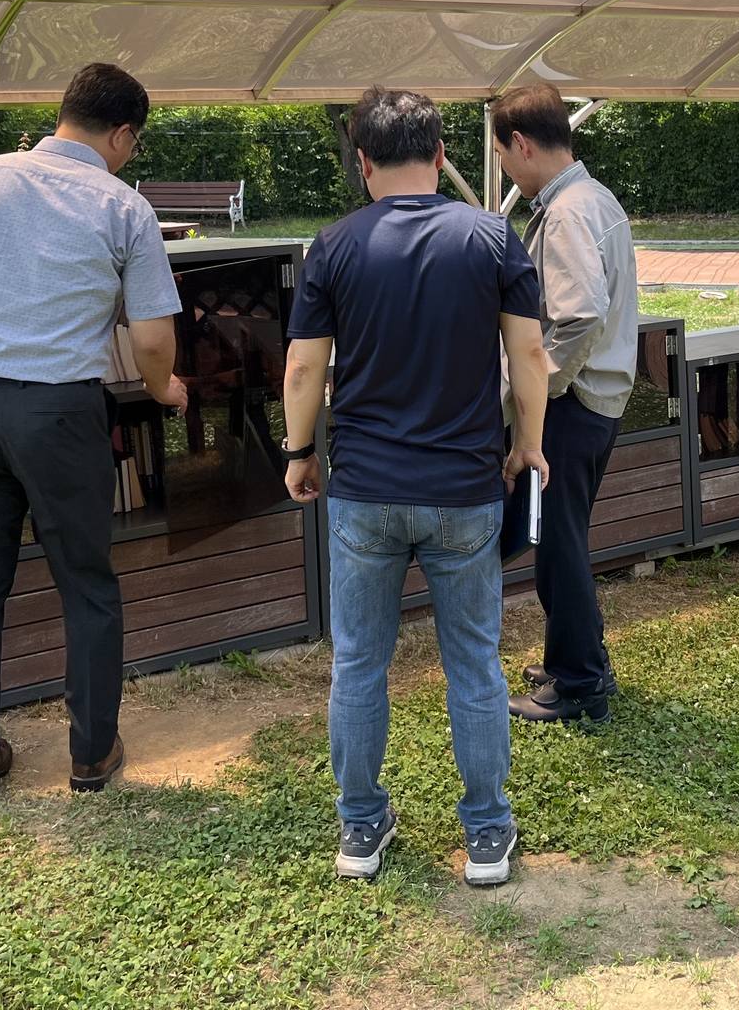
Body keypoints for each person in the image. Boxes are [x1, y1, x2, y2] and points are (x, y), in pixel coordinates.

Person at [281, 87, 552, 888]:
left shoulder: (333, 246)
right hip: (464, 490)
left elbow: (303, 368)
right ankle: (488, 834)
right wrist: (528, 445)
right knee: (474, 665)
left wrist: (300, 452)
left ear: (362, 161)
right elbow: (530, 357)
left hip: (365, 491)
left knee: (359, 664)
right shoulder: (492, 237)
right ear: (440, 156)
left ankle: (361, 828)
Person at [0, 63, 189, 812]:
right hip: (61, 412)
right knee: (86, 584)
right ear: (122, 135)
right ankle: (91, 753)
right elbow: (152, 337)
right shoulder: (123, 207)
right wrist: (165, 388)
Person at [490, 82, 639, 724]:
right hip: (598, 398)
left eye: (502, 155)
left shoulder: (568, 213)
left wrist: (539, 386)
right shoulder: (593, 197)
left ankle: (579, 684)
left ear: (521, 144)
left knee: (558, 546)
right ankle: (582, 660)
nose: (504, 168)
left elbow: (580, 315)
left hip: (573, 402)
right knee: (563, 538)